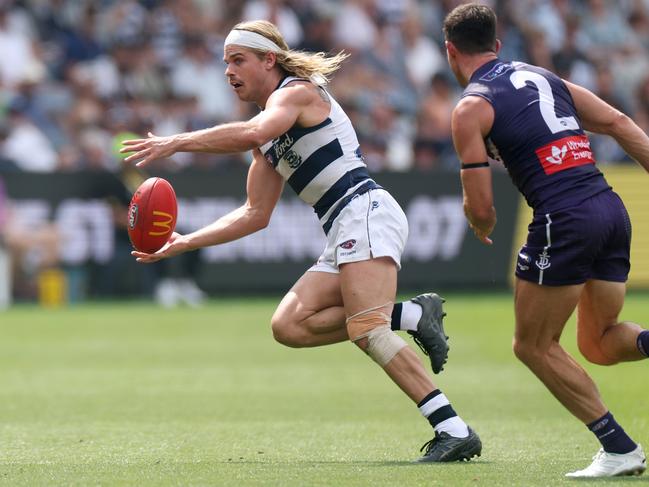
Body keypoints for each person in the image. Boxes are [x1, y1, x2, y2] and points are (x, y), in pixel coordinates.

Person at [120, 20, 481, 462]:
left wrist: (177, 142)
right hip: (344, 225)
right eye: (225, 63)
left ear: (268, 60)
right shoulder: (267, 141)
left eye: (238, 60)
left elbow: (253, 132)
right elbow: (255, 214)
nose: (228, 72)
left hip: (363, 210)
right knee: (288, 325)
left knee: (367, 330)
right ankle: (409, 314)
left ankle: (453, 429)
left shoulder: (296, 93)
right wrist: (184, 242)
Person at [443, 3, 649, 478]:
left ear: (450, 50)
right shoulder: (542, 75)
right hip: (610, 208)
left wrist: (481, 224)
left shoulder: (470, 107)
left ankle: (619, 447)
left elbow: (482, 207)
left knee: (531, 345)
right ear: (496, 46)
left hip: (564, 218)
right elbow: (617, 121)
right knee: (598, 343)